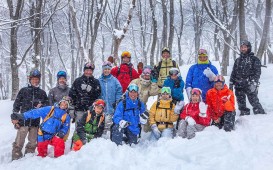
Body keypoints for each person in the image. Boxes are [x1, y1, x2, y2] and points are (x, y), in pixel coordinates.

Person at [11, 69, 49, 161]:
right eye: (33, 79)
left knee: (32, 142)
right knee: (19, 142)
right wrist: (14, 117)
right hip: (23, 121)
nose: (35, 81)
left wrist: (42, 105)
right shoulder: (24, 91)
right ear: (30, 79)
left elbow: (47, 107)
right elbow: (16, 105)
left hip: (35, 122)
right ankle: (16, 157)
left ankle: (29, 159)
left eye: (37, 79)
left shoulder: (42, 93)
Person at [229, 40, 266, 115]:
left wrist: (254, 82)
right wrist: (231, 83)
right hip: (238, 85)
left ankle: (260, 114)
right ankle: (244, 114)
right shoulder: (238, 60)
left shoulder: (254, 59)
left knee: (254, 101)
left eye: (245, 47)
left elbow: (257, 73)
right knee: (241, 103)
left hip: (249, 84)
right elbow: (233, 72)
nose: (243, 49)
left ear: (248, 48)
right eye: (242, 47)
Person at [130, 65, 160, 132]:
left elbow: (153, 92)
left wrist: (154, 82)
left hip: (142, 106)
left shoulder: (150, 84)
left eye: (149, 73)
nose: (146, 74)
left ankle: (147, 134)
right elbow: (127, 92)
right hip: (131, 105)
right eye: (145, 72)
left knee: (149, 118)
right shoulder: (136, 81)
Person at [99, 61, 122, 135]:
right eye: (105, 69)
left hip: (112, 106)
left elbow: (119, 90)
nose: (106, 71)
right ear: (103, 70)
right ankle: (102, 137)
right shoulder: (99, 80)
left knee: (111, 123)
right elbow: (97, 92)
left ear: (110, 70)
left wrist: (117, 101)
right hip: (102, 107)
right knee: (102, 123)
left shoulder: (114, 80)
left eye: (108, 69)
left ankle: (109, 138)